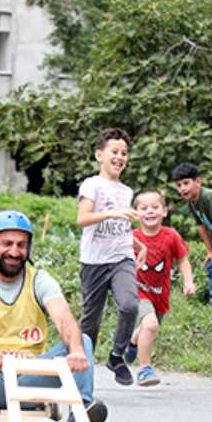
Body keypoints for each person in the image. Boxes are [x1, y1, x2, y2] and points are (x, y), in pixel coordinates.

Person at [0, 210, 107, 422]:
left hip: (33, 377)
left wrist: (76, 350)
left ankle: (83, 409)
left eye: (21, 245)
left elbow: (64, 318)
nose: (14, 251)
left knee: (82, 340)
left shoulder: (40, 280)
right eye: (7, 244)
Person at [76, 128, 146, 386]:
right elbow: (82, 219)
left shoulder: (126, 190)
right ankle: (82, 366)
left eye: (124, 153)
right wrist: (112, 213)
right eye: (114, 152)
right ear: (99, 155)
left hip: (121, 258)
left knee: (130, 305)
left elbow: (123, 225)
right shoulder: (91, 185)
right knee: (90, 322)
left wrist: (140, 244)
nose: (119, 157)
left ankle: (117, 356)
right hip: (94, 261)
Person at [123, 190, 195, 387]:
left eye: (155, 207)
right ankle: (145, 369)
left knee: (149, 328)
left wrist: (188, 281)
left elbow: (182, 260)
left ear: (164, 211)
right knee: (151, 325)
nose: (150, 211)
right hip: (136, 290)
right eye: (144, 208)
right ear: (136, 213)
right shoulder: (131, 237)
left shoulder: (171, 236)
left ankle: (133, 341)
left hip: (160, 295)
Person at [171, 161, 212, 303]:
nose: (182, 189)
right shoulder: (192, 202)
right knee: (211, 265)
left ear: (198, 181)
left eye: (186, 183)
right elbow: (202, 227)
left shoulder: (208, 197)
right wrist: (209, 251)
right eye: (179, 185)